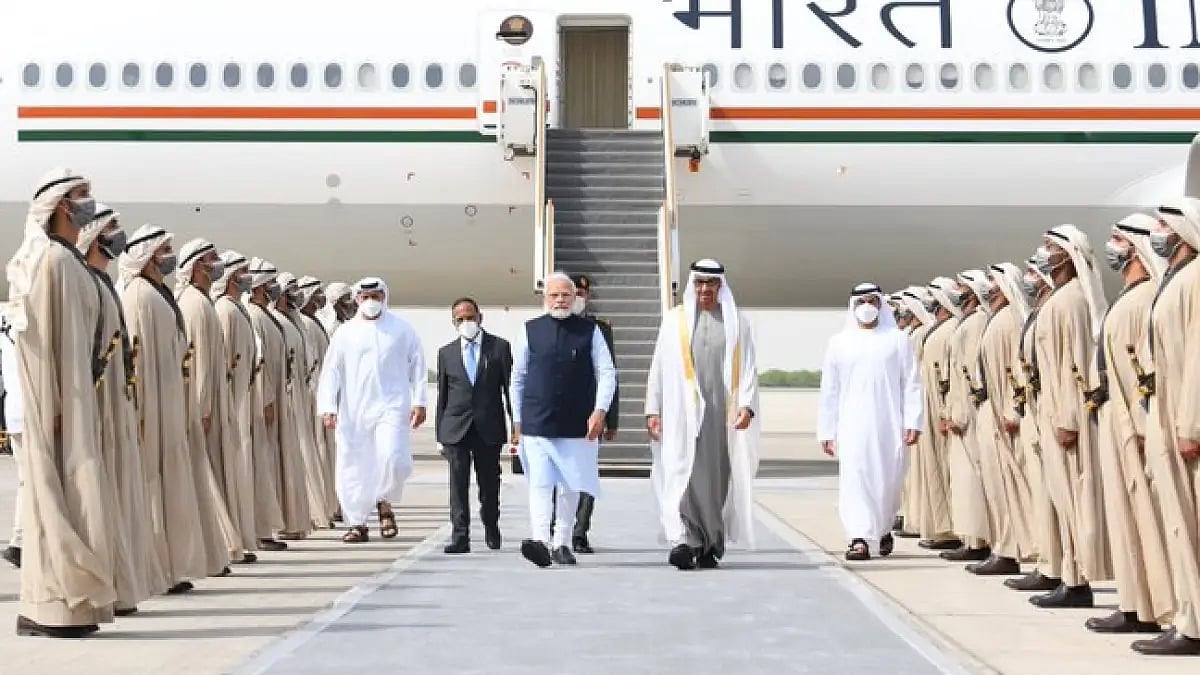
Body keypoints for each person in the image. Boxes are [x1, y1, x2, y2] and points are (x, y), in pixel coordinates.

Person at [6, 168, 118, 637]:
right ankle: (49, 608)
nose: (89, 203)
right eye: (81, 196)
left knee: (77, 503)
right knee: (56, 504)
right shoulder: (50, 262)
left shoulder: (70, 263)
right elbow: (41, 345)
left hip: (77, 405)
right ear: (60, 207)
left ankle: (75, 605)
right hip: (60, 409)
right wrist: (52, 406)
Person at [119, 224, 223, 594]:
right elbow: (134, 361)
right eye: (163, 250)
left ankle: (171, 565)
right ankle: (154, 565)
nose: (168, 257)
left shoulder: (158, 296)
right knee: (151, 489)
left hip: (171, 407)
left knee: (171, 488)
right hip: (152, 410)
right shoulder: (138, 297)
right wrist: (141, 413)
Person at [1086, 216, 1173, 636]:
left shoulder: (1143, 300)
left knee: (1144, 518)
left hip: (1134, 425)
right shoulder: (1129, 297)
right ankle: (1133, 602)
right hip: (1116, 420)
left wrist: (1142, 426)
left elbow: (1148, 367)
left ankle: (1155, 606)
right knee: (1125, 520)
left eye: (1119, 239)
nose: (1112, 246)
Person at [79, 205, 166, 614]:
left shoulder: (106, 285)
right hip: (99, 411)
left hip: (120, 408)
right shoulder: (118, 291)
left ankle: (122, 584)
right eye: (112, 229)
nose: (119, 235)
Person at [646, 259, 759, 570]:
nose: (705, 289)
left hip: (721, 417)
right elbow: (658, 367)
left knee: (715, 479)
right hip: (681, 414)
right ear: (692, 285)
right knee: (682, 472)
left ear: (720, 287)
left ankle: (711, 542)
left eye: (711, 284)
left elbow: (748, 368)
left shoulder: (738, 322)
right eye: (699, 283)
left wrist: (746, 406)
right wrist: (652, 409)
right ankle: (686, 540)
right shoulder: (674, 321)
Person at [1130, 200, 1200, 656]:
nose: (1157, 232)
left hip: (1184, 420)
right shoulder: (1176, 280)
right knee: (1176, 523)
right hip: (1166, 415)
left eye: (1162, 225)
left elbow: (1198, 355)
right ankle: (1186, 616)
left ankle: (1193, 626)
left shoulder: (1195, 279)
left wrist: (1190, 422)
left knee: (1189, 524)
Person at [1028, 225, 1110, 609]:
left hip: (1067, 416)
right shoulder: (1058, 300)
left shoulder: (1072, 301)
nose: (1044, 254)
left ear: (1068, 254)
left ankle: (1078, 584)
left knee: (1076, 500)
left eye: (1050, 248)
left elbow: (1075, 366)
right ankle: (1069, 577)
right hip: (1053, 413)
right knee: (1061, 499)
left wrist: (1067, 418)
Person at [511, 272, 617, 567]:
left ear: (576, 298)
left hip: (577, 423)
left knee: (572, 484)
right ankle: (540, 540)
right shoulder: (529, 329)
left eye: (566, 295)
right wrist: (517, 420)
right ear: (545, 298)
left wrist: (600, 411)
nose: (560, 300)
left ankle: (562, 542)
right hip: (537, 420)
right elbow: (517, 377)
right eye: (554, 295)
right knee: (541, 484)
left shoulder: (589, 331)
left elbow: (607, 373)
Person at [818, 283, 923, 561]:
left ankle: (883, 528)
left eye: (872, 301)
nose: (866, 306)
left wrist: (914, 421)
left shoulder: (897, 339)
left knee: (887, 481)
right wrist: (826, 431)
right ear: (853, 306)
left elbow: (911, 383)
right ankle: (859, 538)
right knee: (855, 478)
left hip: (890, 423)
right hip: (851, 426)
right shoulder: (838, 342)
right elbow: (830, 389)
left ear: (880, 305)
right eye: (861, 301)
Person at [318, 277, 427, 544]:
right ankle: (357, 523)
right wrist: (328, 406)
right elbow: (330, 371)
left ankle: (384, 502)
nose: (370, 302)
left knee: (394, 458)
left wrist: (420, 401)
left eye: (375, 296)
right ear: (356, 300)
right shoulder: (345, 333)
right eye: (365, 297)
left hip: (392, 407)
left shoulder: (402, 329)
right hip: (354, 410)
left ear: (384, 297)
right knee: (353, 466)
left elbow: (418, 366)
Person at [174, 239, 246, 569]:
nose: (216, 264)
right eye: (211, 259)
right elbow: (197, 363)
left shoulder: (203, 304)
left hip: (216, 405)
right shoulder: (194, 305)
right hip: (204, 408)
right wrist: (202, 407)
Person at [548, 273, 619, 554]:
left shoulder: (600, 329)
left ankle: (579, 531)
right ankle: (557, 527)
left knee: (585, 473)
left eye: (580, 293)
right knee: (556, 473)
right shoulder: (546, 326)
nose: (575, 297)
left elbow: (610, 375)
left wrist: (610, 418)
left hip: (590, 415)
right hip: (556, 413)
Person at [435, 297, 513, 554]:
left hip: (488, 427)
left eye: (470, 317)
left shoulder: (499, 348)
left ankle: (491, 524)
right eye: (460, 319)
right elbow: (443, 396)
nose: (466, 322)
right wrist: (439, 434)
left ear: (480, 318)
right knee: (457, 484)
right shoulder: (446, 353)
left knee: (489, 483)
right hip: (455, 427)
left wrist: (517, 427)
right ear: (453, 322)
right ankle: (460, 535)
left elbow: (509, 390)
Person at [210, 250, 260, 562]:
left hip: (242, 398)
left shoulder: (235, 309)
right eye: (241, 272)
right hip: (230, 401)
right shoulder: (226, 311)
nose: (247, 278)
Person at [1, 314, 22, 569]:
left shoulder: (8, 317)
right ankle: (20, 543)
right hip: (28, 410)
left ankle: (20, 541)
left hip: (16, 408)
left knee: (26, 481)